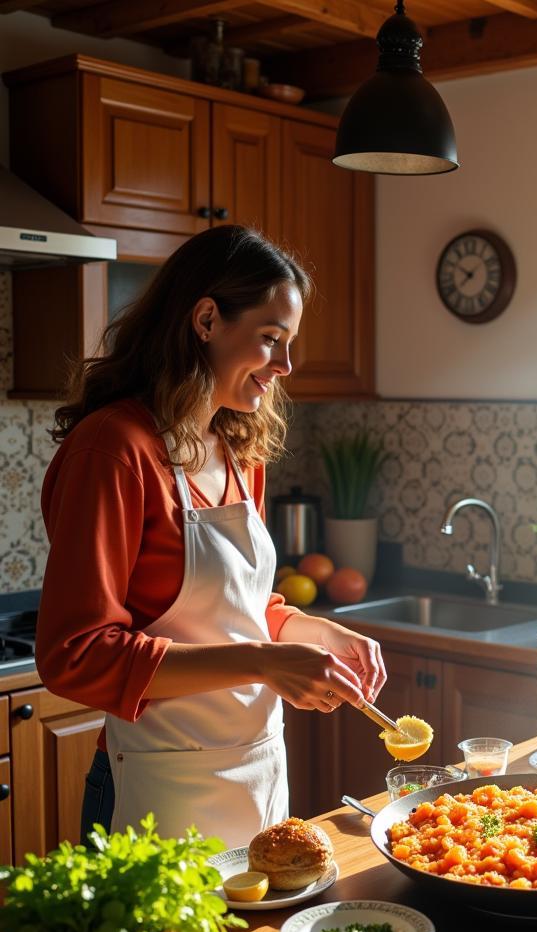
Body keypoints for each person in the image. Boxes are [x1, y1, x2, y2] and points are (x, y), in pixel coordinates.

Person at [37, 225, 387, 851]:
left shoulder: (236, 449)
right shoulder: (114, 449)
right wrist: (264, 661)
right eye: (271, 340)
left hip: (258, 778)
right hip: (155, 791)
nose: (284, 367)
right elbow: (75, 655)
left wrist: (308, 631)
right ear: (205, 320)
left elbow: (233, 612)